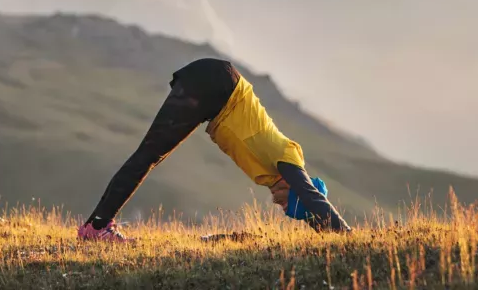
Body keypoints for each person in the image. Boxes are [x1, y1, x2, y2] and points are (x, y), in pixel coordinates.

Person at [78, 58, 351, 241]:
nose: (278, 205)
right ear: (293, 189)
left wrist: (324, 233)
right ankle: (98, 227)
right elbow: (312, 197)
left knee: (149, 155)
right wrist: (348, 237)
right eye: (286, 204)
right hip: (218, 86)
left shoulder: (270, 176)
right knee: (148, 155)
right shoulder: (288, 157)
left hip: (215, 95)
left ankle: (94, 227)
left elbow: (311, 207)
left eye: (284, 210)